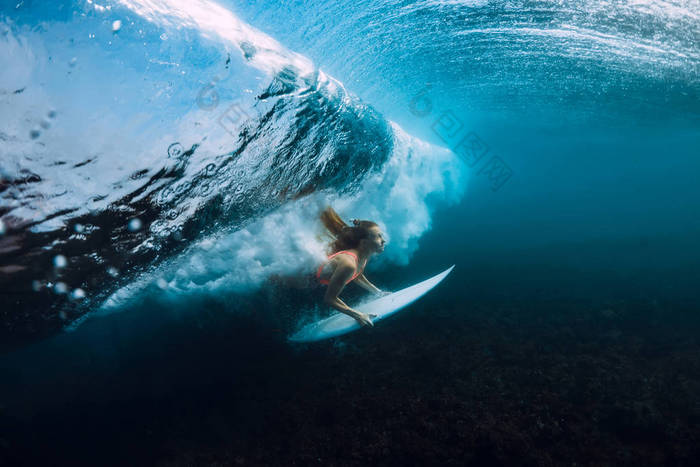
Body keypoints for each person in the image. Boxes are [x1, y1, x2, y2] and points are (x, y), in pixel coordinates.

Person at [317, 206, 390, 327]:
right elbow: (329, 299)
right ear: (364, 242)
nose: (384, 240)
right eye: (379, 236)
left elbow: (357, 276)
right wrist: (358, 315)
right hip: (301, 280)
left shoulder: (362, 256)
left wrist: (378, 293)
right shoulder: (349, 264)